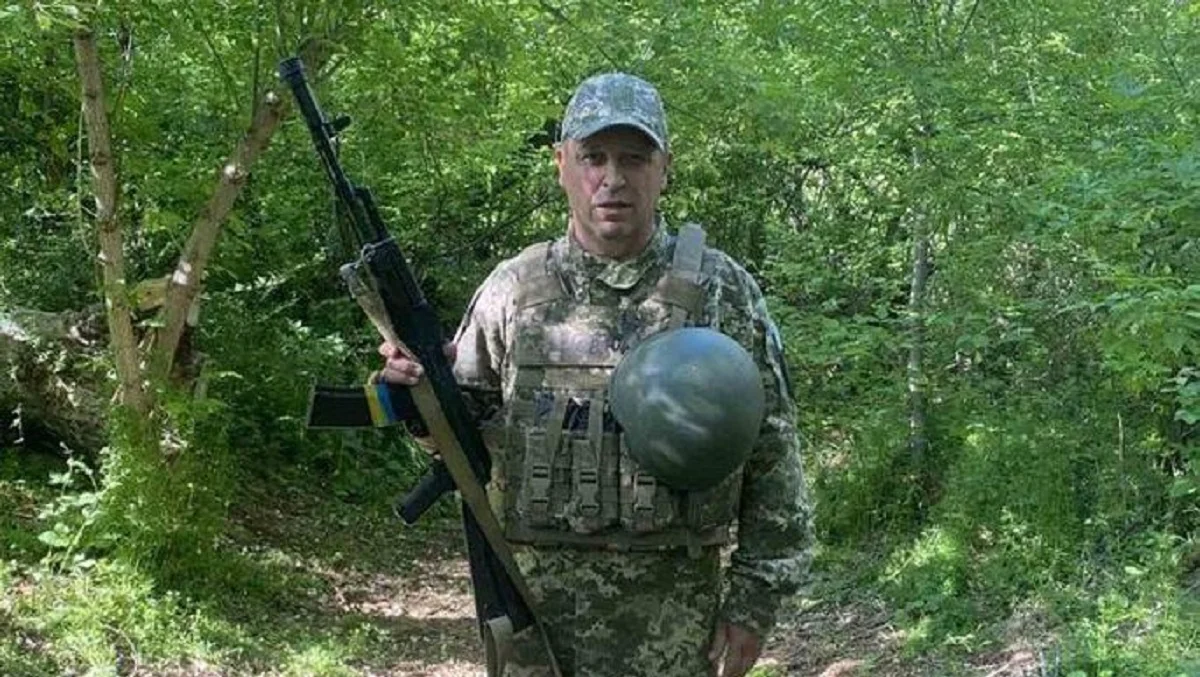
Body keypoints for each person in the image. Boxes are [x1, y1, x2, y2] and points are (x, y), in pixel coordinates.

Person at [379, 72, 812, 677]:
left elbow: (772, 453)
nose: (613, 178)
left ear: (664, 169)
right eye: (593, 157)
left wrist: (754, 603)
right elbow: (456, 444)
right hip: (533, 622)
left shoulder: (722, 292)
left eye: (634, 158)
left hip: (675, 629)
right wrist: (415, 396)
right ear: (561, 164)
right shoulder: (513, 291)